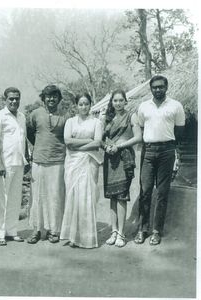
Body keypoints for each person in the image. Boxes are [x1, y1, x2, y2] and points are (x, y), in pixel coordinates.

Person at [134, 75, 185, 246]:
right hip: (148, 151)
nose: (158, 90)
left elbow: (179, 131)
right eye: (155, 87)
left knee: (162, 192)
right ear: (151, 89)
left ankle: (156, 231)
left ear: (166, 87)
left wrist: (167, 146)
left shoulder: (176, 106)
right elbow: (141, 128)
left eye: (161, 87)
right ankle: (142, 229)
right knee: (145, 190)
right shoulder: (143, 107)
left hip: (166, 152)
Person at [27, 85, 69, 244]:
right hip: (39, 160)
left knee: (55, 196)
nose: (51, 99)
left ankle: (54, 230)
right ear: (43, 98)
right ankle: (37, 230)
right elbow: (30, 132)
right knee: (37, 196)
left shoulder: (65, 116)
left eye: (54, 96)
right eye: (48, 96)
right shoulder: (35, 114)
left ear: (59, 99)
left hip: (58, 161)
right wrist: (39, 146)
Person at [60, 93, 102, 248]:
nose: (83, 107)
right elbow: (67, 141)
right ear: (76, 105)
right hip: (72, 162)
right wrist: (88, 142)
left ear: (90, 105)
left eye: (86, 104)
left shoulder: (96, 122)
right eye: (80, 104)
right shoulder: (70, 121)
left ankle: (86, 237)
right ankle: (72, 236)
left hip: (89, 161)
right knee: (73, 197)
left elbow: (97, 143)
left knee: (87, 197)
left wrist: (80, 146)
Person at [102, 89, 142, 247]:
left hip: (124, 158)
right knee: (112, 196)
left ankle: (121, 233)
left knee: (121, 196)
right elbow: (101, 138)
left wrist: (119, 146)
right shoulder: (108, 118)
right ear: (111, 102)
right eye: (115, 100)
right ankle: (113, 231)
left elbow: (138, 137)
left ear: (126, 101)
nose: (118, 103)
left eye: (121, 100)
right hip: (110, 159)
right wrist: (107, 147)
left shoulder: (131, 115)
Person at [0, 87, 28, 246]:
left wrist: (25, 159)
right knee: (2, 198)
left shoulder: (22, 117)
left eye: (17, 98)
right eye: (11, 98)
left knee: (15, 198)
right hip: (5, 163)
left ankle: (11, 231)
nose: (14, 101)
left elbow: (23, 139)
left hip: (18, 162)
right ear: (5, 99)